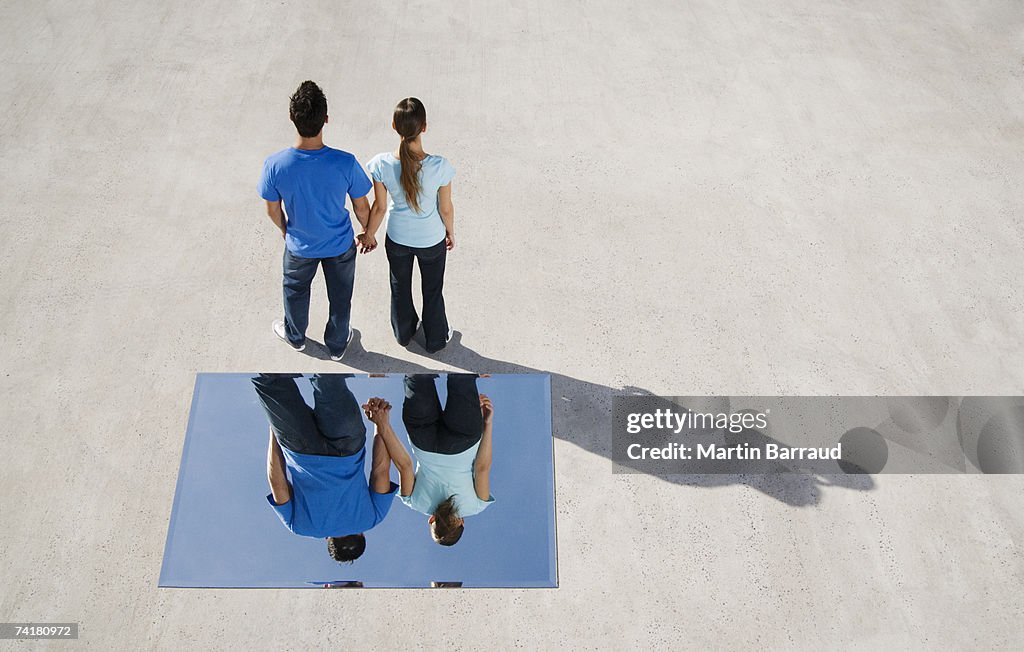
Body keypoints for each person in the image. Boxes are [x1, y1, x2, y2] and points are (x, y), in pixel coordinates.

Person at [257, 81, 376, 361]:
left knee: (295, 291)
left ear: (291, 119)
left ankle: (295, 337)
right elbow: (362, 206)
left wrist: (287, 231)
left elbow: (272, 210)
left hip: (299, 246)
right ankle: (337, 345)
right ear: (326, 119)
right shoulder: (345, 162)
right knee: (340, 294)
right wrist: (367, 232)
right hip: (339, 245)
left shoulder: (275, 165)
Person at [252, 373, 413, 563]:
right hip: (301, 450)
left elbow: (380, 470)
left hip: (347, 447)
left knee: (327, 378)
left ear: (362, 536)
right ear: (328, 540)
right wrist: (276, 430)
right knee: (271, 379)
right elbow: (277, 482)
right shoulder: (301, 527)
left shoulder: (372, 519)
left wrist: (380, 425)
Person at [364, 98, 456, 353]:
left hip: (397, 238)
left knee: (399, 287)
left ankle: (404, 333)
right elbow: (445, 208)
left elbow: (380, 207)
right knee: (433, 290)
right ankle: (436, 338)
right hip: (431, 240)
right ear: (424, 127)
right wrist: (450, 231)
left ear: (394, 125)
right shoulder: (439, 166)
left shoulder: (381, 164)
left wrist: (368, 234)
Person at [399, 374, 494, 545]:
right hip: (424, 442)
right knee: (417, 376)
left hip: (462, 442)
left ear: (461, 522)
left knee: (462, 377)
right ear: (431, 520)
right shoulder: (415, 503)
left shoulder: (476, 506)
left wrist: (486, 424)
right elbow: (404, 466)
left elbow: (482, 467)